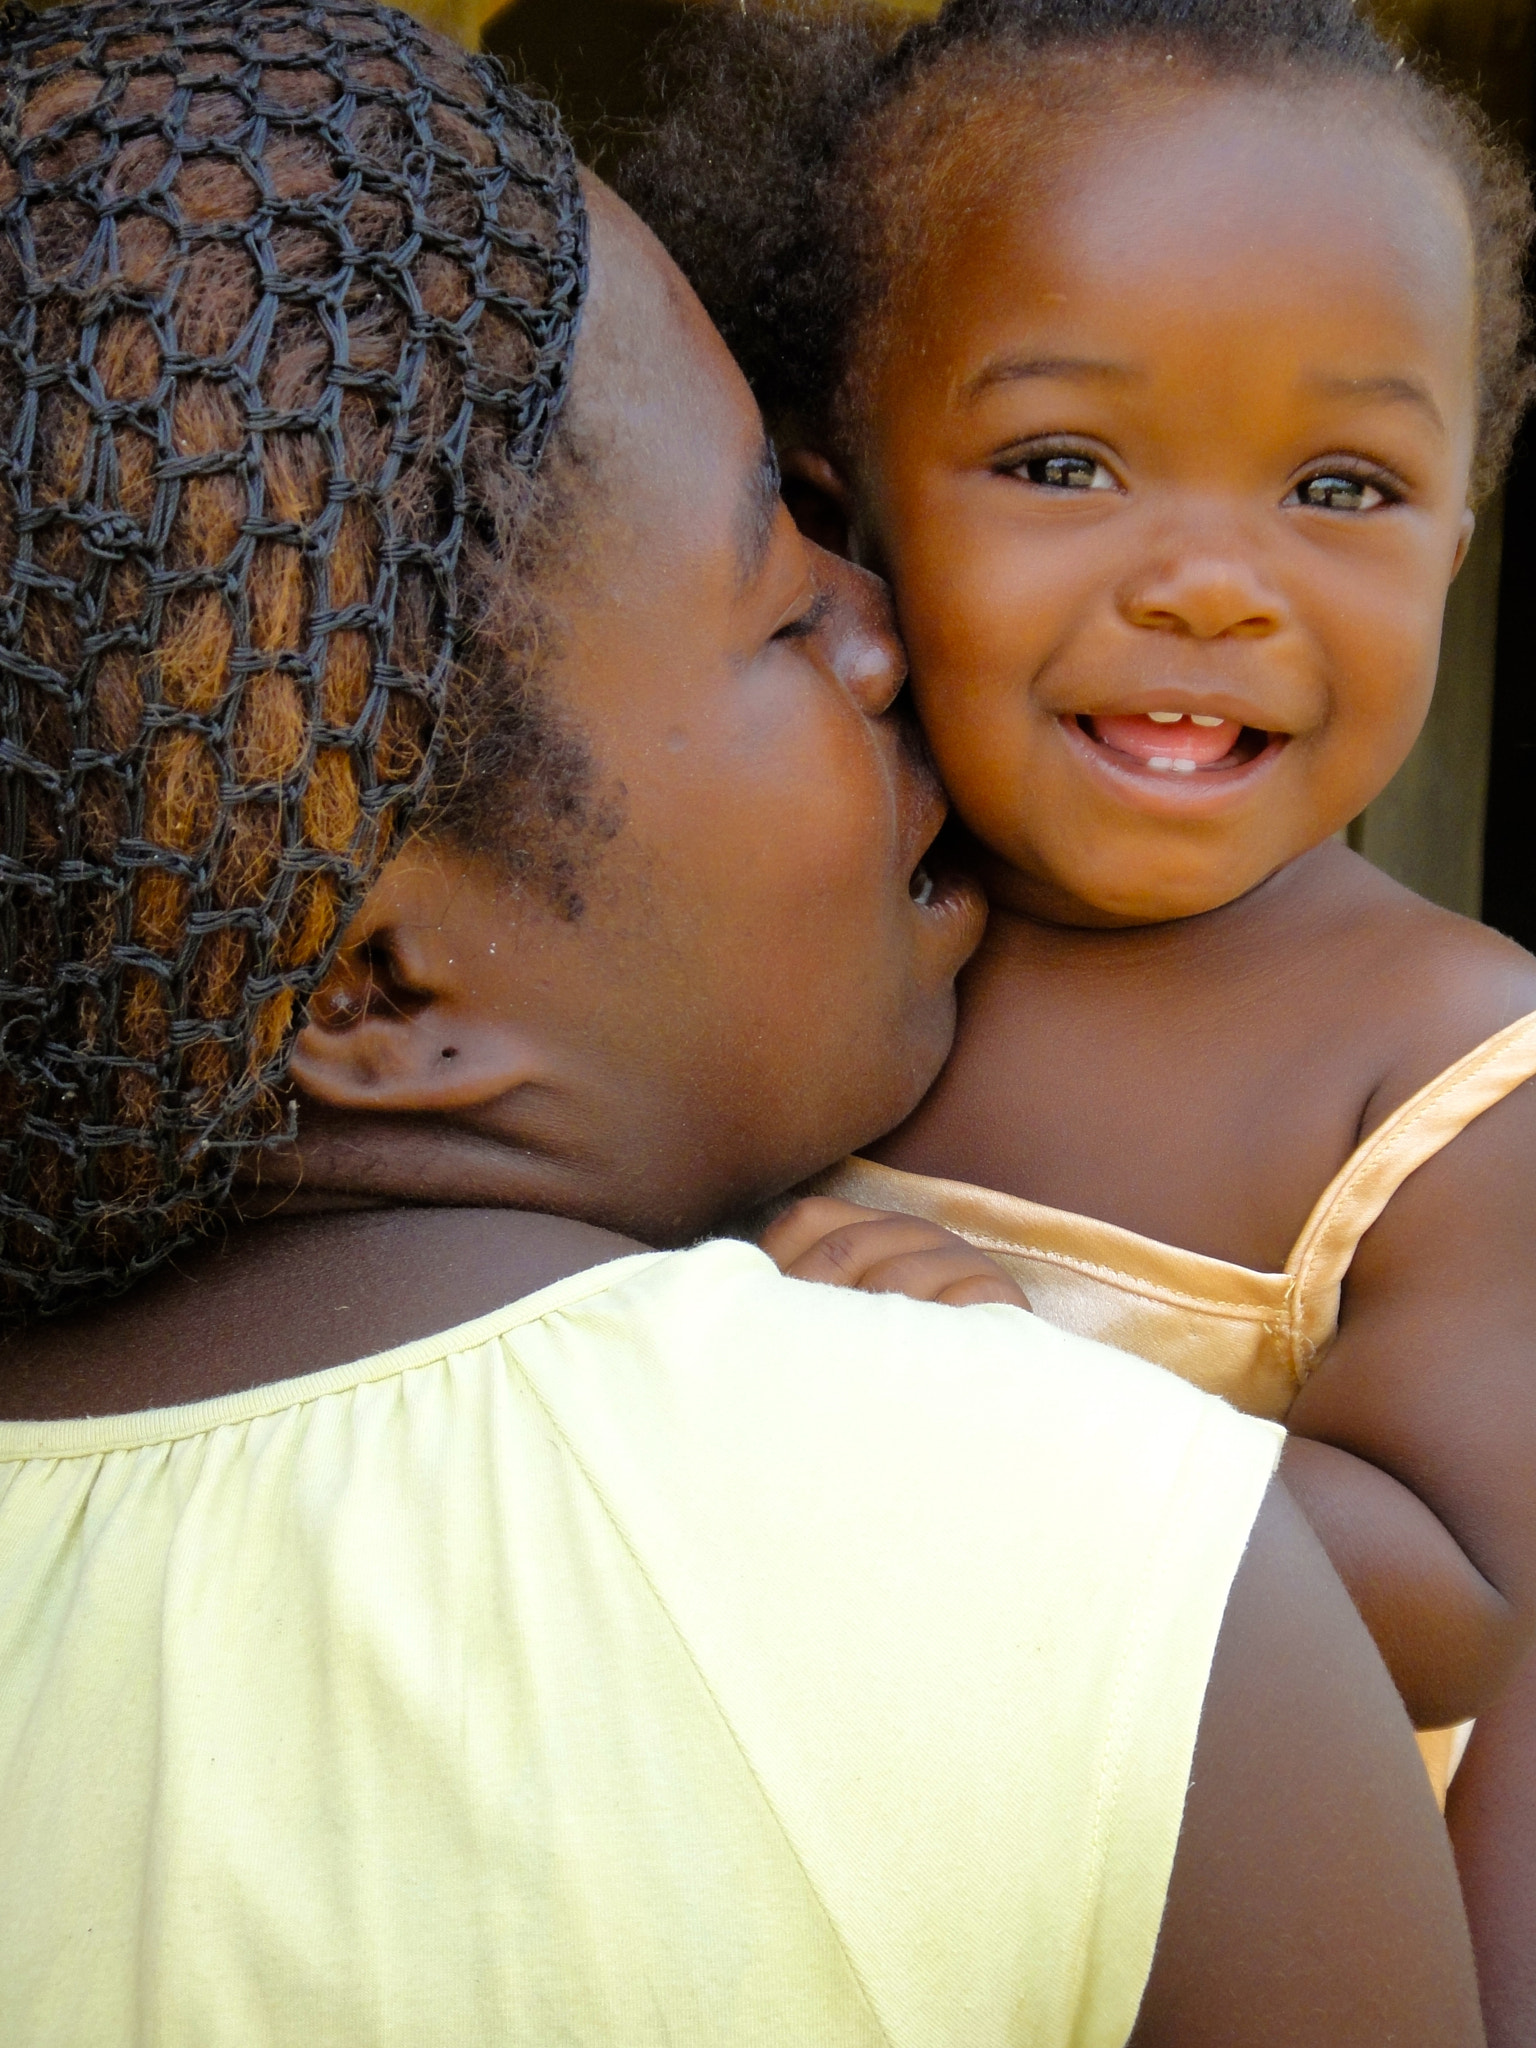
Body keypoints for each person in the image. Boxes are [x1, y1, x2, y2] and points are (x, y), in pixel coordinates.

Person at [0, 3, 1481, 2042]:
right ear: (375, 986)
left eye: (1345, 482)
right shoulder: (1116, 1586)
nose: (883, 634)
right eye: (790, 590)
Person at [626, 0, 1536, 1945]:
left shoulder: (1454, 1071)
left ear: (1464, 525)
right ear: (839, 507)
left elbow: (1457, 1590)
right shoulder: (792, 944)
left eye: (1347, 488)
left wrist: (1002, 1402)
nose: (1214, 581)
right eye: (1062, 462)